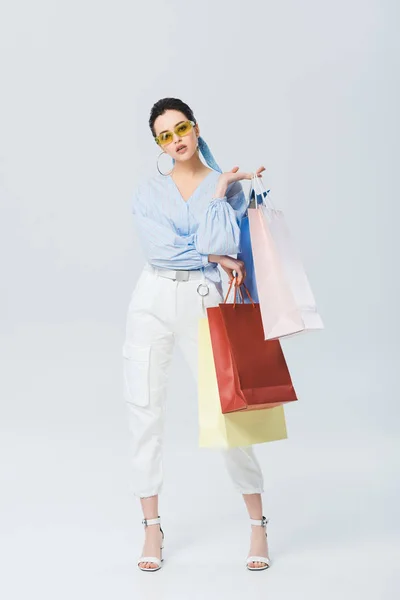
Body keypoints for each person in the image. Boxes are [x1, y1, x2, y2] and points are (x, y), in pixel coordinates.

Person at [122, 97, 270, 572]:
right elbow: (160, 249)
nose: (176, 139)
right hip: (151, 301)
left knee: (229, 411)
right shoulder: (147, 192)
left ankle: (258, 525)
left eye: (181, 128)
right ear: (158, 144)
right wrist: (209, 253)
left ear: (195, 127)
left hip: (204, 302)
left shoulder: (225, 187)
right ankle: (151, 527)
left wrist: (223, 190)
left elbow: (226, 243)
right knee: (143, 409)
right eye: (164, 135)